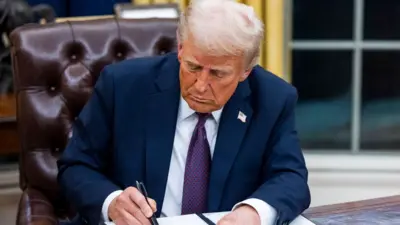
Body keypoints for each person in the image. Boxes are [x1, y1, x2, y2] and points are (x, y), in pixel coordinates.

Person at [57, 0, 311, 225]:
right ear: (180, 48)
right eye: (193, 66)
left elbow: (291, 177)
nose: (200, 84)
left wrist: (253, 213)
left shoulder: (273, 99)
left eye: (218, 73)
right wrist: (112, 203)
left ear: (246, 71)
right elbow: (76, 166)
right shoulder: (122, 86)